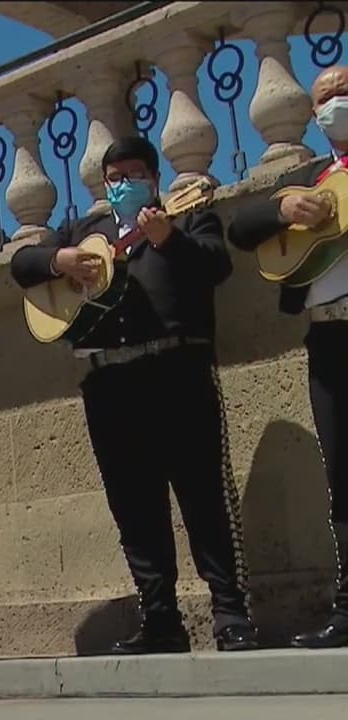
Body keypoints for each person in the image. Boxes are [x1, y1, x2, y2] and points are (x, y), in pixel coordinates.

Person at [11, 136, 258, 654]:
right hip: (109, 385)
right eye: (113, 177)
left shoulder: (190, 218)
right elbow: (23, 265)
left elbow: (217, 267)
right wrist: (61, 260)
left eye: (132, 174)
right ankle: (161, 620)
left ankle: (231, 613)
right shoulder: (86, 232)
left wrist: (169, 239)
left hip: (177, 371)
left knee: (204, 497)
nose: (122, 185)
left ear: (153, 176)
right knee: (135, 508)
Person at [228, 65, 348, 648]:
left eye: (343, 94)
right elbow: (241, 227)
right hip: (328, 339)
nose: (334, 105)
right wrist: (284, 210)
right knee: (341, 475)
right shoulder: (310, 175)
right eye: (325, 98)